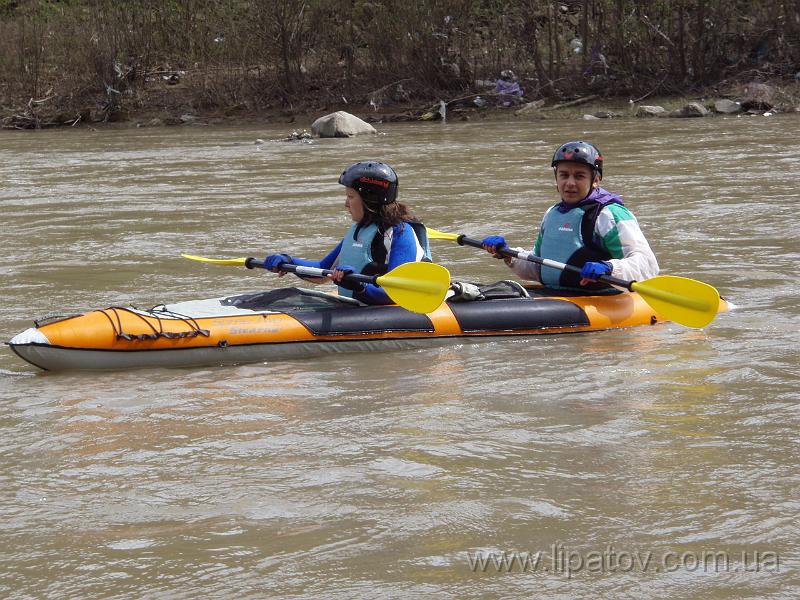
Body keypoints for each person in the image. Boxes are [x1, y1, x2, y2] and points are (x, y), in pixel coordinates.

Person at [481, 140, 658, 292]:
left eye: (579, 176)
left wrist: (610, 268)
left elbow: (648, 265)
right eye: (564, 175)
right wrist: (509, 255)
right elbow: (539, 267)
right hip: (555, 296)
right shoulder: (552, 213)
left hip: (599, 300)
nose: (570, 183)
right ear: (556, 178)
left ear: (596, 180)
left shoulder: (609, 215)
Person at [263, 161, 431, 305]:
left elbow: (398, 291)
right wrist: (289, 262)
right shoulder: (359, 230)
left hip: (388, 312)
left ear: (370, 200)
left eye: (350, 197)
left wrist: (359, 286)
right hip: (357, 309)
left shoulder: (401, 234)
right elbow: (322, 271)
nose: (345, 204)